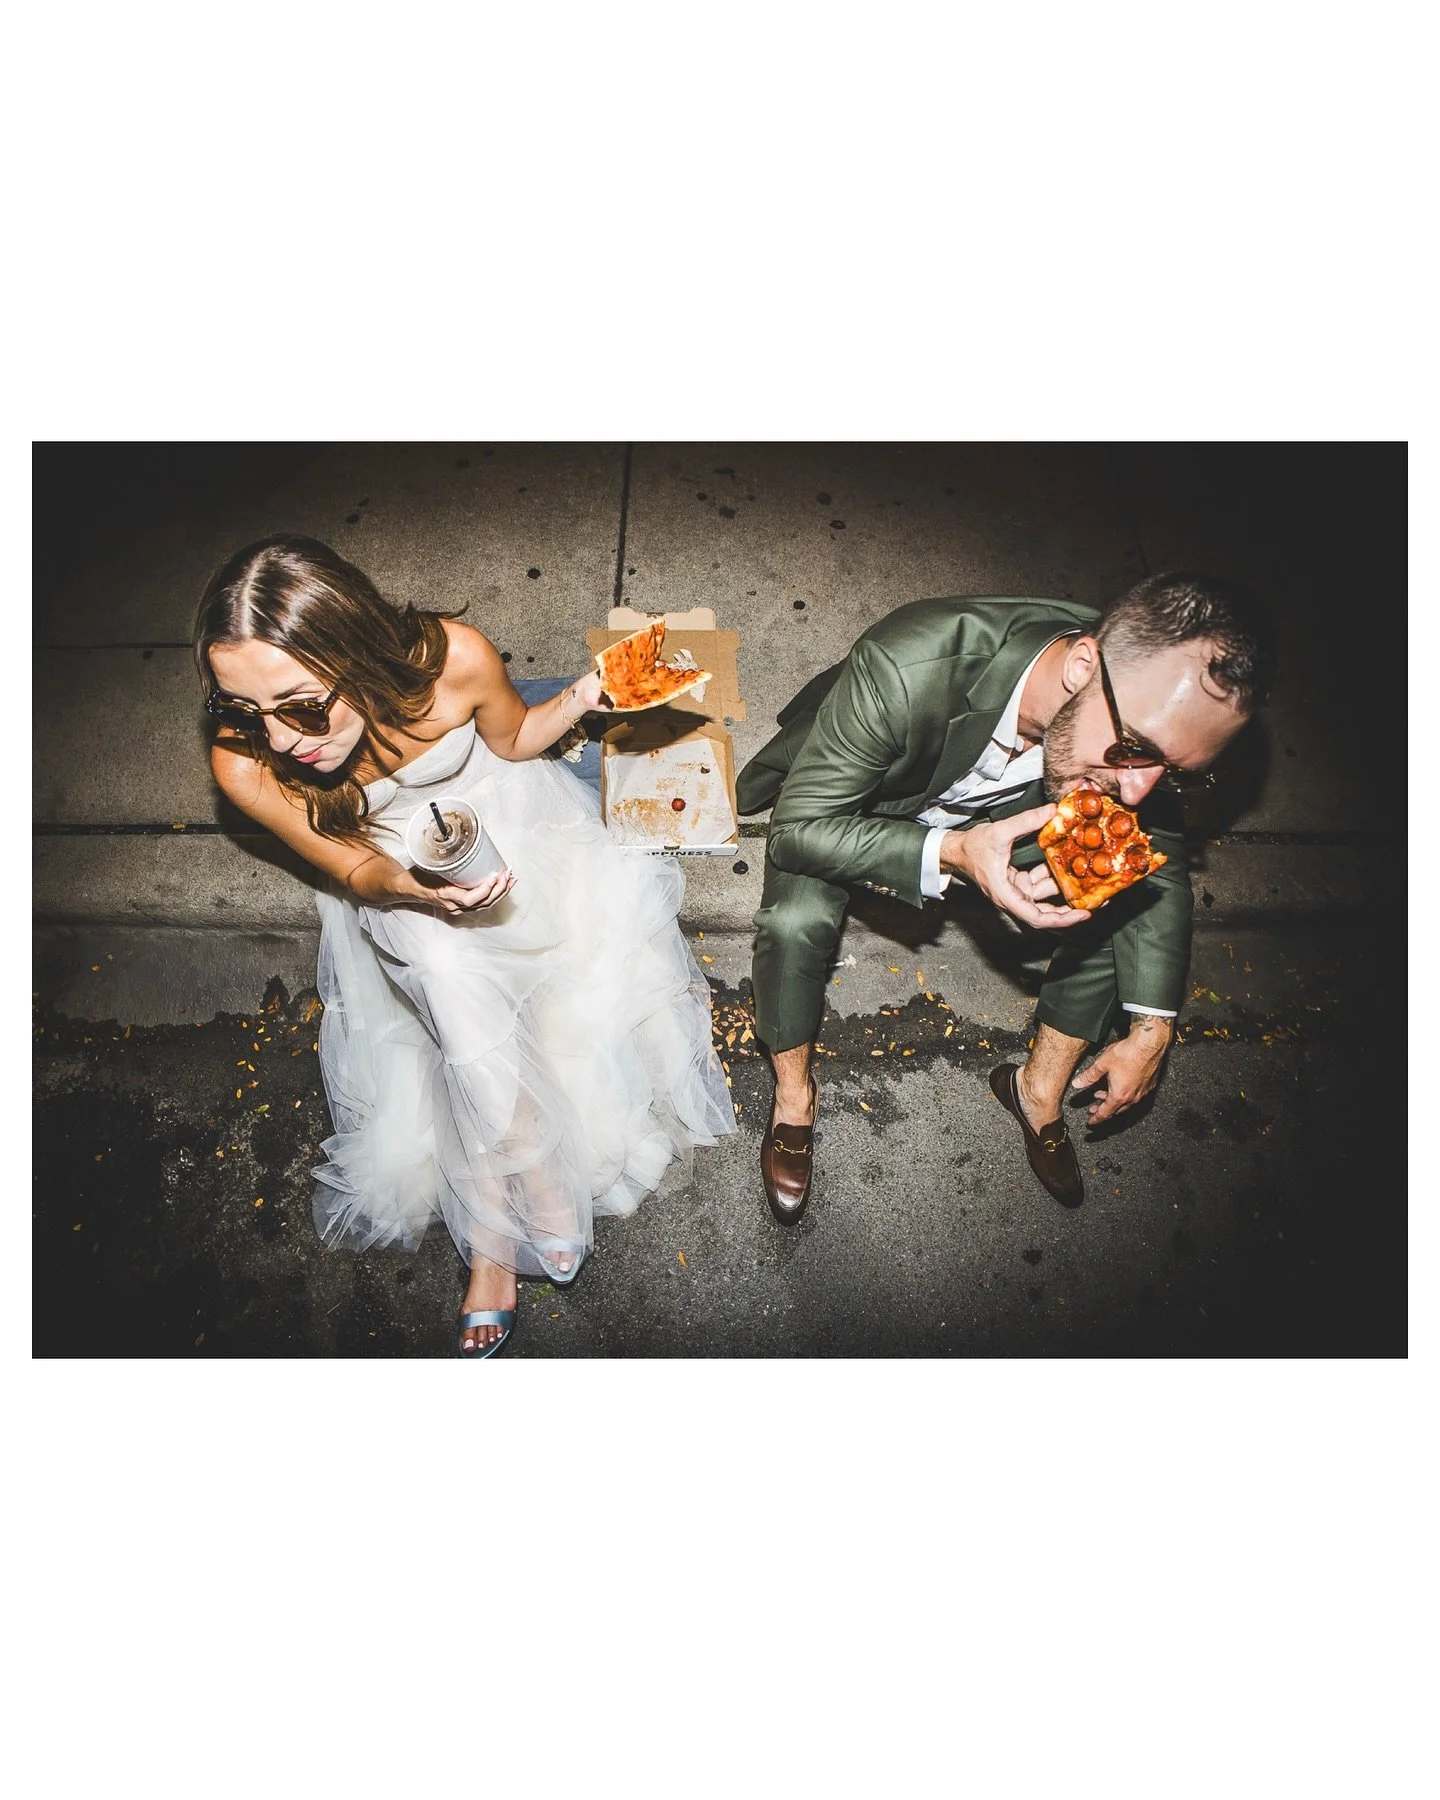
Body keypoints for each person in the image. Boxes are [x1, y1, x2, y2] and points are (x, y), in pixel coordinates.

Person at [194, 535, 736, 1356]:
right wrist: (414, 891)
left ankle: (499, 1222)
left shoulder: (454, 659)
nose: (277, 741)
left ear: (356, 653)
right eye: (243, 710)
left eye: (301, 707)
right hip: (394, 874)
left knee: (550, 993)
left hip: (517, 826)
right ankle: (515, 1202)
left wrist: (584, 696)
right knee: (449, 981)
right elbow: (352, 866)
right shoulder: (244, 765)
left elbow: (514, 740)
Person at [734, 571, 1277, 1221]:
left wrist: (1152, 1027)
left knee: (1116, 898)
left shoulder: (1130, 714)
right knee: (794, 922)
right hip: (863, 803)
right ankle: (794, 1097)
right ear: (1082, 666)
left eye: (1177, 775)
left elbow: (1160, 875)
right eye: (1136, 750)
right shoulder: (908, 665)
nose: (1139, 791)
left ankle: (1036, 1090)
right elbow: (796, 833)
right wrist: (953, 853)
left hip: (1003, 818)